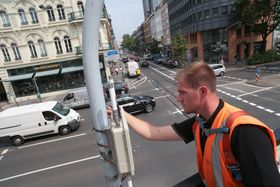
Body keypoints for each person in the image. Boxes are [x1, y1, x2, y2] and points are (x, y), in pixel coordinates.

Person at [108, 62, 280, 186]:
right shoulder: (200, 123)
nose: (178, 98)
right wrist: (121, 114)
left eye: (182, 92)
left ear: (203, 92)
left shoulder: (245, 132)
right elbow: (153, 132)